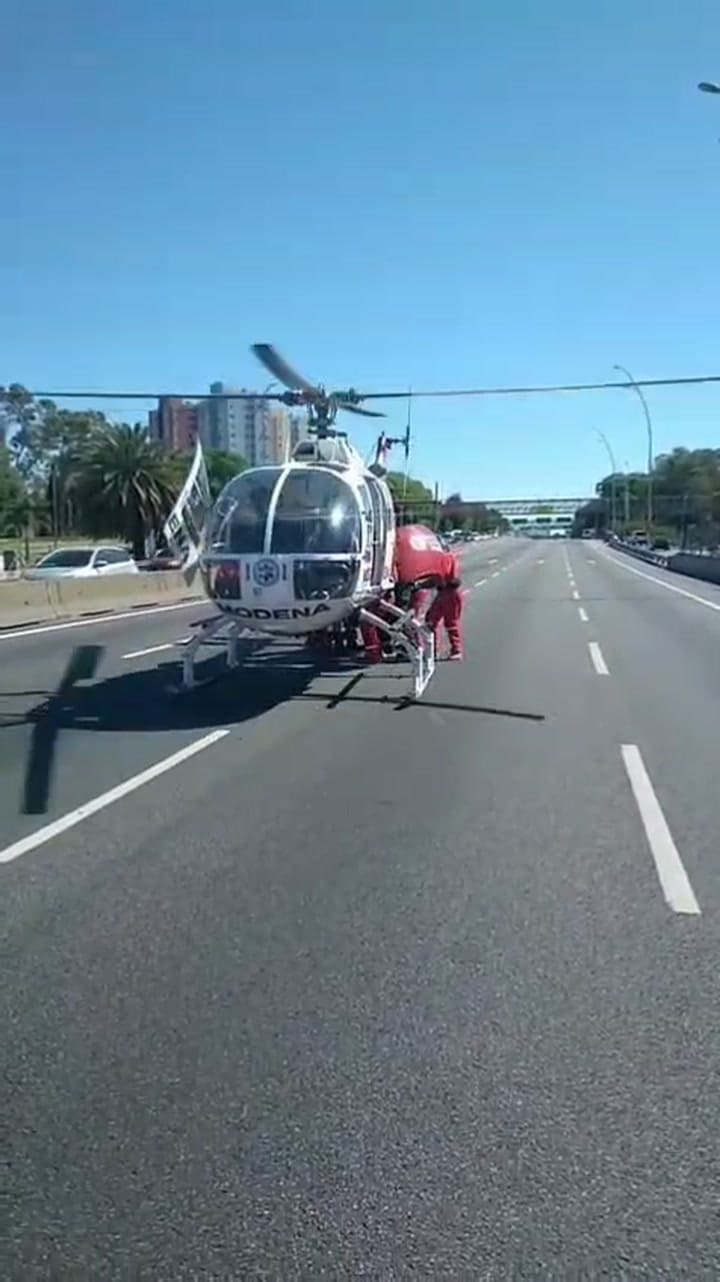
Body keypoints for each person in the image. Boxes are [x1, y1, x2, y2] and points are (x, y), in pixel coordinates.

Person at [425, 552, 464, 660]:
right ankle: (435, 650)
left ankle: (455, 650)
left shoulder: (444, 558)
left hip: (449, 592)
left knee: (448, 622)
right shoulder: (449, 557)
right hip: (446, 592)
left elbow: (444, 576)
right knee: (432, 620)